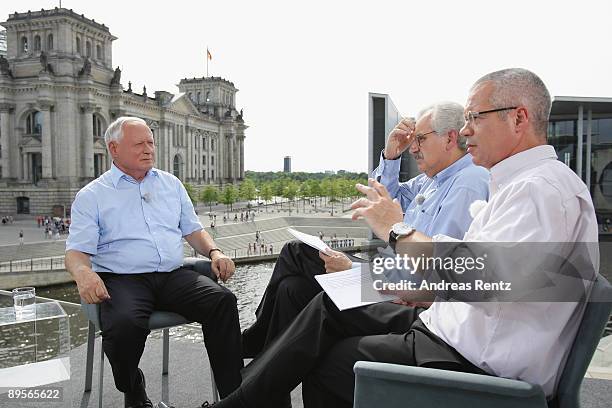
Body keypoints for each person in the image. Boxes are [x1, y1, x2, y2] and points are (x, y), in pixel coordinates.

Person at [215, 68, 598, 408]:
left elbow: (484, 277)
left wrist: (397, 230)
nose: (466, 132)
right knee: (315, 300)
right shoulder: (525, 184)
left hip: (474, 359)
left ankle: (242, 390)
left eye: (474, 119)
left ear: (518, 118)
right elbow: (505, 280)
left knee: (328, 355)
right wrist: (427, 289)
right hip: (452, 327)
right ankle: (244, 394)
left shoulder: (540, 190)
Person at [241, 101, 490, 360]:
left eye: (420, 139)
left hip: (398, 290)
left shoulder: (467, 186)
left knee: (298, 252)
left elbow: (431, 273)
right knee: (290, 290)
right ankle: (264, 364)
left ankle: (254, 343)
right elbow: (385, 198)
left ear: (450, 139)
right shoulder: (434, 180)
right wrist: (392, 156)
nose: (413, 148)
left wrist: (353, 272)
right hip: (387, 277)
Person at [65, 117, 242, 408]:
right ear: (114, 148)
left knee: (222, 302)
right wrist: (83, 273)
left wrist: (215, 252)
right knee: (123, 325)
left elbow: (193, 230)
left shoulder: (171, 184)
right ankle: (133, 386)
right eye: (139, 144)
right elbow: (76, 252)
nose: (149, 149)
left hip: (173, 276)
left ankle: (235, 397)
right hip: (123, 280)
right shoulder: (92, 195)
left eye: (151, 143)